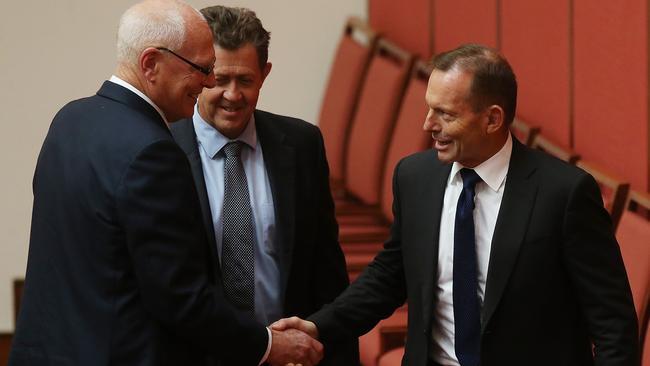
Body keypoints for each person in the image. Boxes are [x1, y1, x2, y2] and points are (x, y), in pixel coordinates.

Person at [273, 44, 639, 366]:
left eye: (446, 114)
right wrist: (321, 324)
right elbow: (390, 275)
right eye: (429, 109)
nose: (428, 124)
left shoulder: (565, 193)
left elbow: (613, 324)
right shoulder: (415, 178)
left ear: (492, 118)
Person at [9, 1, 322, 365]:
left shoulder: (70, 120)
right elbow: (179, 296)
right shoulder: (153, 151)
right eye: (203, 70)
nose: (207, 82)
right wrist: (269, 345)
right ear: (151, 64)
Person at [169, 5, 358, 365]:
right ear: (199, 75)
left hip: (288, 357)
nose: (232, 95)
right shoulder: (161, 150)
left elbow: (326, 270)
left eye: (245, 80)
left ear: (265, 73)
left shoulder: (301, 145)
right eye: (220, 80)